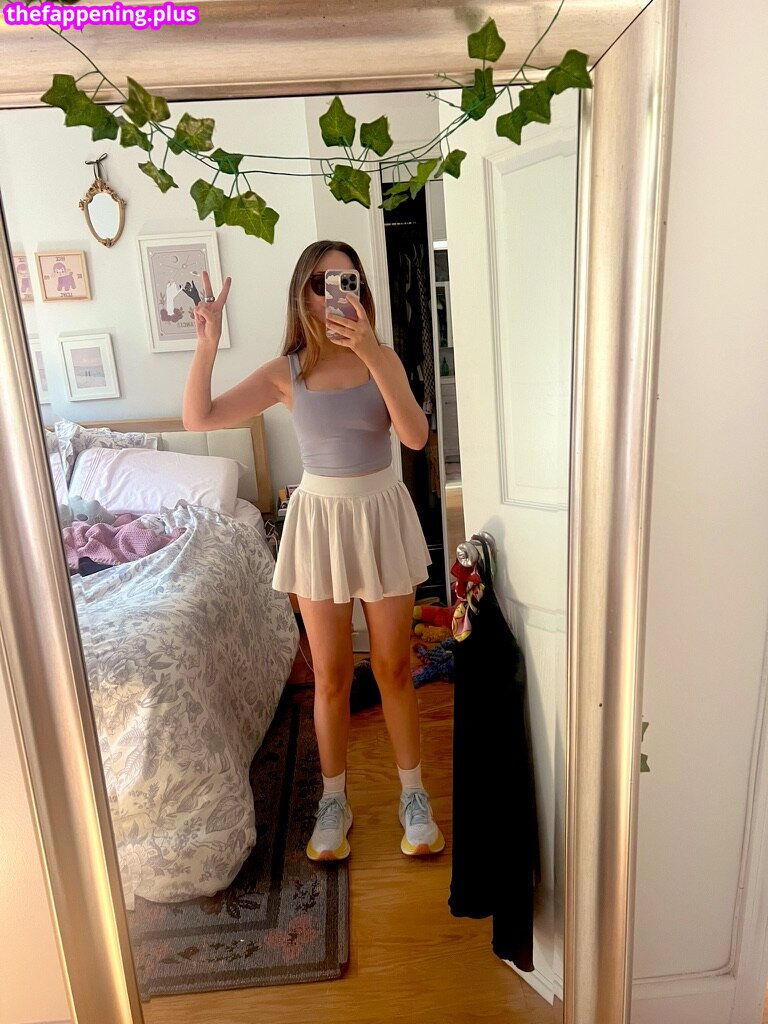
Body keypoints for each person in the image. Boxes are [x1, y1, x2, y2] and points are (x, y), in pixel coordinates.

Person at [183, 240, 445, 863]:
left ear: (361, 292)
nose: (336, 294)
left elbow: (415, 437)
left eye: (347, 281)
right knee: (330, 675)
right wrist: (207, 343)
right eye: (323, 282)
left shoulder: (383, 359)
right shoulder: (286, 372)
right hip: (319, 524)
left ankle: (413, 794)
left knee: (393, 667)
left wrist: (373, 353)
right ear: (304, 293)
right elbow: (199, 419)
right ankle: (334, 800)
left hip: (381, 516)